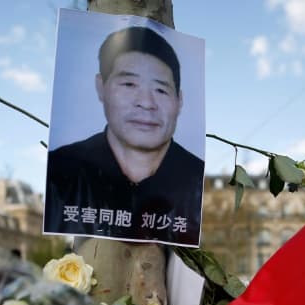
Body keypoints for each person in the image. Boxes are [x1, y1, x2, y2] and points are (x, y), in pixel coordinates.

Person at [45, 26, 204, 246]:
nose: (146, 103)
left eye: (161, 90)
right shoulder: (61, 173)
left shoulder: (197, 182)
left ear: (180, 101)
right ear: (101, 87)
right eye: (129, 84)